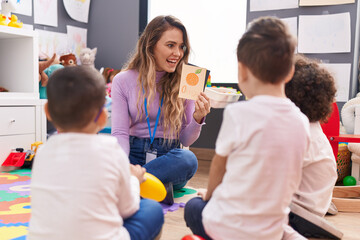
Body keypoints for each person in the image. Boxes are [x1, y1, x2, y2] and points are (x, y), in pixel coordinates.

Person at [184, 17, 310, 240]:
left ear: (242, 71)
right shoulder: (301, 122)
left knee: (194, 206)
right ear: (290, 71)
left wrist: (211, 197)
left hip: (229, 229)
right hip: (270, 230)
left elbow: (219, 168)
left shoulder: (237, 114)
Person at [28, 66, 164, 240]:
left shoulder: (42, 153)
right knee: (152, 209)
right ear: (102, 118)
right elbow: (127, 208)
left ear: (47, 112)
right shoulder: (111, 149)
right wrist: (133, 180)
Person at [111, 15, 210, 200]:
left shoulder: (188, 80)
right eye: (170, 45)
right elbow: (119, 133)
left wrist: (197, 118)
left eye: (181, 47)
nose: (178, 53)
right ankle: (149, 186)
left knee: (188, 160)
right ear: (151, 45)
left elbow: (186, 140)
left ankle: (129, 185)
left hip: (170, 160)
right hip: (133, 156)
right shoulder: (122, 80)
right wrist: (125, 167)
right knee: (107, 157)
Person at [284, 54, 341, 239]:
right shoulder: (314, 133)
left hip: (292, 220)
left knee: (199, 209)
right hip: (313, 219)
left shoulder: (297, 136)